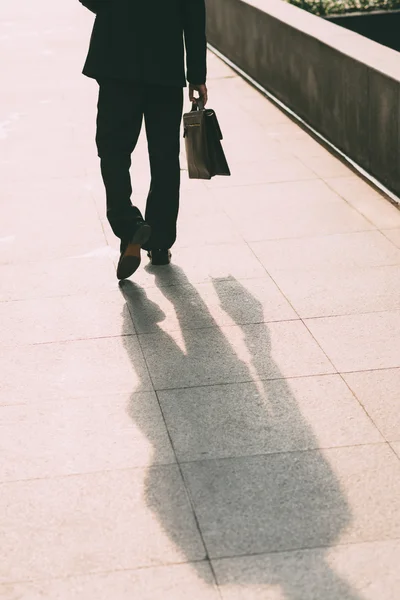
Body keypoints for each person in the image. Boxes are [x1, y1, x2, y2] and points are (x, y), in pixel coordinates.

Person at [79, 0, 208, 279]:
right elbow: (194, 14)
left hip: (116, 60)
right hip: (165, 64)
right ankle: (159, 243)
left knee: (113, 150)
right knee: (164, 156)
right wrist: (197, 74)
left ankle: (128, 224)